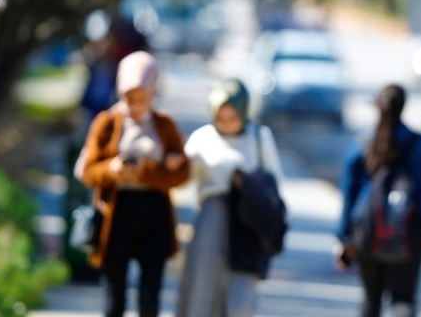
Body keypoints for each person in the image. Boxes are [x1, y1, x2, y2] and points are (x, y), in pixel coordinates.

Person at [79, 51, 190, 317]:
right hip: (116, 213)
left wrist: (145, 172)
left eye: (142, 99)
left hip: (154, 214)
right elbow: (87, 171)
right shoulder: (106, 123)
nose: (135, 106)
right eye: (129, 99)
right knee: (114, 297)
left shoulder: (164, 126)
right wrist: (112, 169)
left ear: (153, 94)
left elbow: (183, 174)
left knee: (149, 299)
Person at [336, 84, 421, 317]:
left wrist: (344, 237)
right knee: (403, 299)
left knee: (370, 299)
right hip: (411, 231)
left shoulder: (362, 143)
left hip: (367, 231)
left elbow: (349, 192)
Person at [177, 78, 285, 317]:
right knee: (202, 289)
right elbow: (182, 179)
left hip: (247, 221)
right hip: (211, 217)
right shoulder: (202, 137)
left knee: (241, 297)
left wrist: (247, 183)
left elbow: (275, 182)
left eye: (232, 118)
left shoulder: (259, 136)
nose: (226, 125)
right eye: (220, 118)